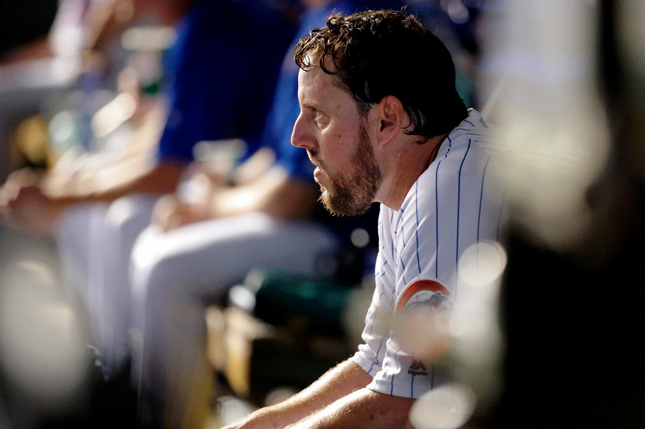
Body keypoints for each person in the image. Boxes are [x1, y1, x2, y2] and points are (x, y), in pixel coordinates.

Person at [222, 9, 506, 429]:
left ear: (387, 119)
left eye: (318, 114)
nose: (298, 137)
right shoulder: (408, 182)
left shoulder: (447, 190)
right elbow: (376, 362)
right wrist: (262, 424)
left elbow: (402, 403)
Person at [0, 0, 293, 380]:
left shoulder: (214, 24)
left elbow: (169, 171)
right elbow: (162, 146)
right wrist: (63, 188)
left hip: (303, 215)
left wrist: (62, 197)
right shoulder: (196, 25)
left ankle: (131, 389)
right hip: (242, 182)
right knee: (107, 211)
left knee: (137, 234)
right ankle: (113, 368)